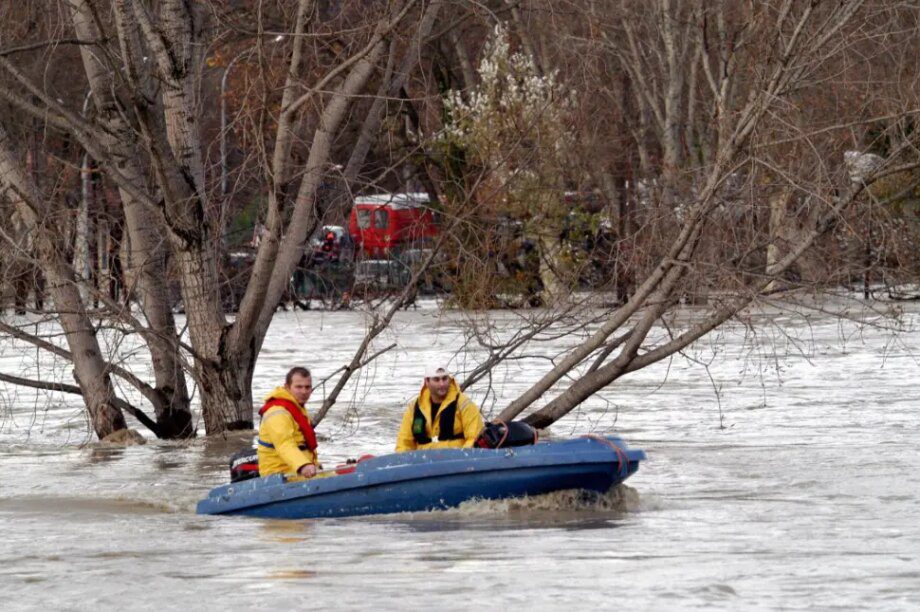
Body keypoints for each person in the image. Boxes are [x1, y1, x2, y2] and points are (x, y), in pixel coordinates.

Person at [396, 363, 484, 452]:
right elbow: (404, 443)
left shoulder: (464, 404)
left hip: (456, 458)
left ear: (449, 379)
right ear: (427, 382)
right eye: (436, 380)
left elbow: (474, 438)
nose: (442, 384)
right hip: (423, 459)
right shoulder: (414, 408)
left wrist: (461, 457)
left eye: (444, 379)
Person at [257, 366, 320, 479]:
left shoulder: (296, 407)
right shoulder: (277, 412)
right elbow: (284, 444)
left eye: (307, 387)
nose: (304, 391)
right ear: (287, 387)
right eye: (299, 387)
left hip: (297, 471)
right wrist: (303, 465)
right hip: (280, 475)